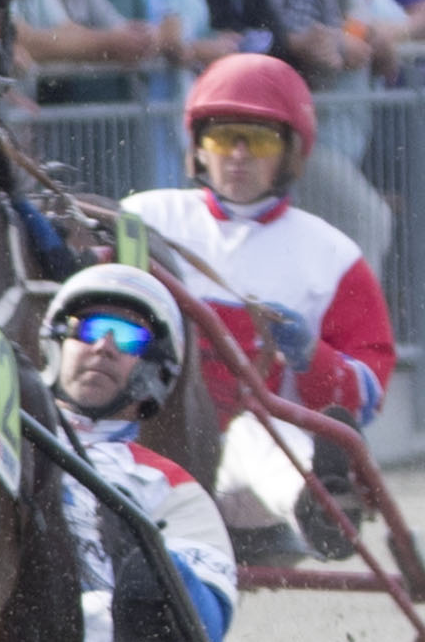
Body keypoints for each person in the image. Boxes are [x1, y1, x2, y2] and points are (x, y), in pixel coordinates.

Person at [117, 47, 392, 434]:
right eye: (223, 138)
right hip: (143, 441)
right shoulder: (141, 220)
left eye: (259, 140)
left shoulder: (334, 257)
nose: (238, 155)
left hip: (274, 450)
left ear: (291, 152)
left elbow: (366, 401)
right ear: (198, 147)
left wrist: (311, 357)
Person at [37, 264, 238, 642]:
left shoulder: (168, 485)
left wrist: (159, 570)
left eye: (127, 338)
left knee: (98, 618)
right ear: (57, 343)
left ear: (153, 369)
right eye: (88, 329)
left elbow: (206, 630)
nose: (103, 346)